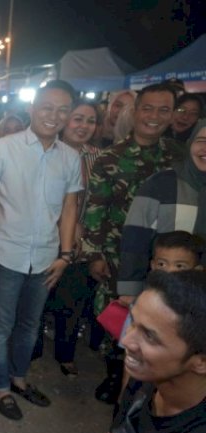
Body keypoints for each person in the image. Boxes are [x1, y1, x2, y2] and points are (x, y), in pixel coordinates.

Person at [0, 80, 82, 420]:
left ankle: (19, 379)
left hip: (47, 258)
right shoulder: (3, 148)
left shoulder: (70, 157)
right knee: (0, 325)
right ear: (33, 107)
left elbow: (68, 210)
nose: (54, 115)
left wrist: (65, 255)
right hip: (5, 252)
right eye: (47, 107)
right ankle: (0, 386)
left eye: (62, 109)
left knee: (30, 326)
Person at [64, 270, 206, 433]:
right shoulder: (143, 386)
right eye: (132, 321)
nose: (127, 341)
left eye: (150, 336)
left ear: (201, 361)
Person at [82, 82, 183, 404]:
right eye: (148, 108)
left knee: (164, 318)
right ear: (136, 111)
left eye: (163, 110)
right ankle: (117, 374)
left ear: (172, 115)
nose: (154, 116)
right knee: (120, 319)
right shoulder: (111, 157)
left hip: (168, 256)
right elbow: (95, 209)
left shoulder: (181, 157)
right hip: (119, 254)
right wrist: (94, 255)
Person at [45, 100, 103, 377]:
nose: (83, 126)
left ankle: (65, 354)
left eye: (90, 121)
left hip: (82, 243)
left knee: (72, 301)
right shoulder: (46, 151)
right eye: (77, 118)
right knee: (40, 298)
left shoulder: (100, 158)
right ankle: (31, 352)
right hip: (45, 237)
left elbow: (101, 203)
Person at [118, 120, 206, 301]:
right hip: (162, 295)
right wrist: (129, 289)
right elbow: (135, 239)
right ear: (190, 143)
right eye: (201, 140)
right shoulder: (161, 184)